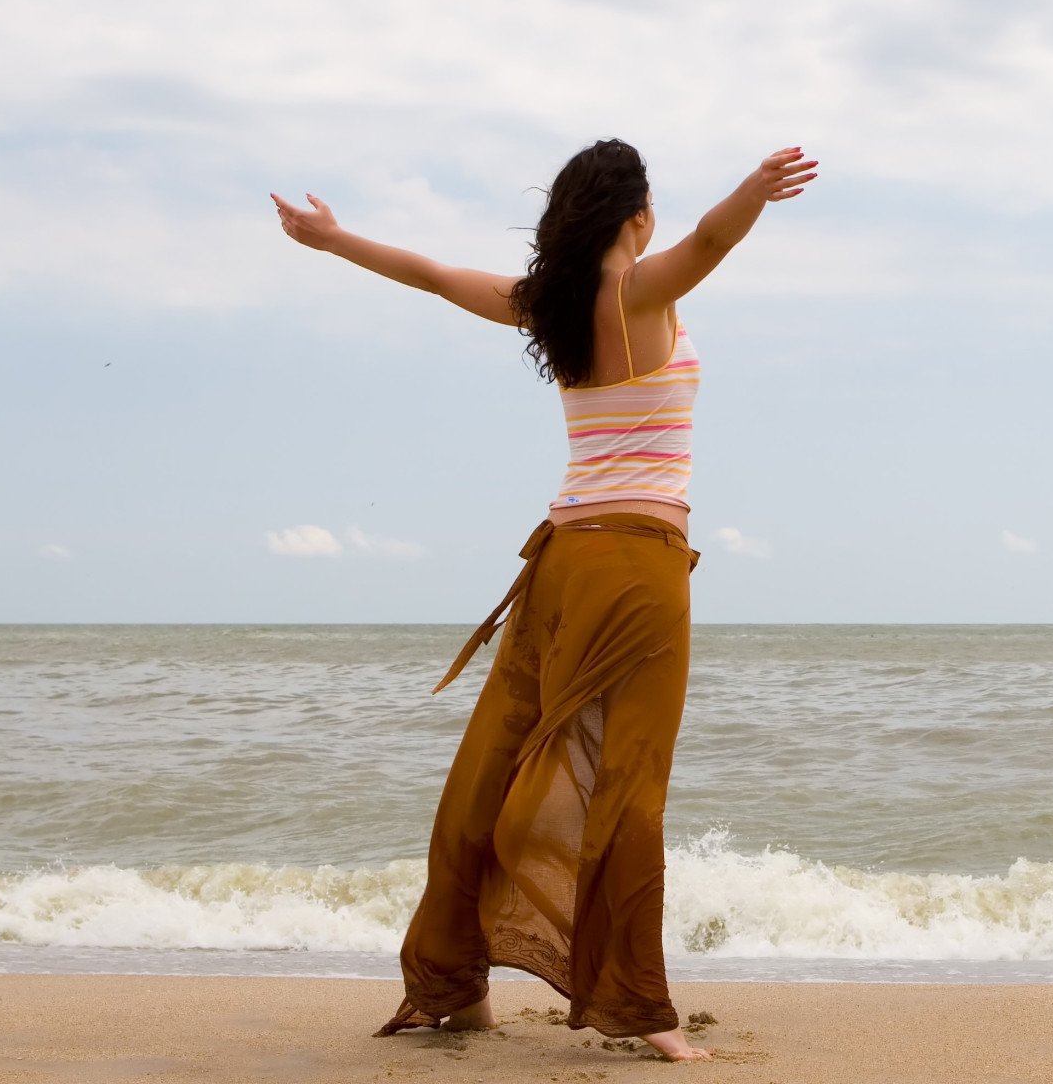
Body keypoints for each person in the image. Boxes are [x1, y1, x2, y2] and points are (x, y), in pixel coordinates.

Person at [269, 139, 817, 1062]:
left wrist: (332, 240)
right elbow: (714, 241)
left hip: (560, 558)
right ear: (635, 216)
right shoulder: (637, 295)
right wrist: (755, 189)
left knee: (497, 756)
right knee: (628, 780)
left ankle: (451, 983)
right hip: (636, 564)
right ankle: (641, 1006)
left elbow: (435, 275)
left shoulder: (547, 305)